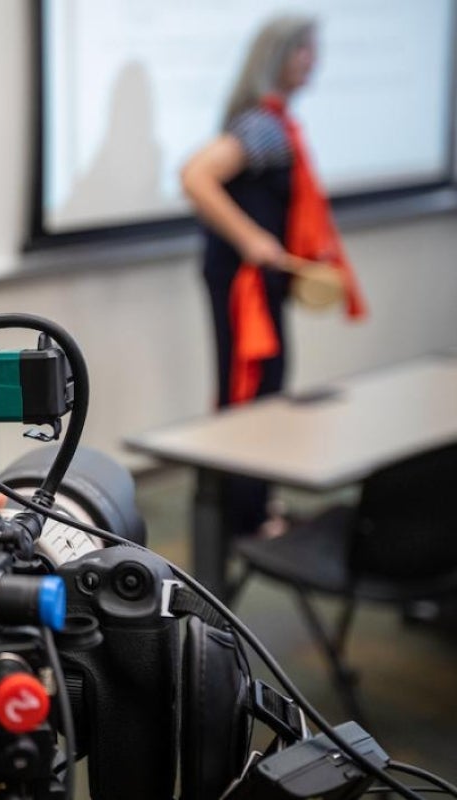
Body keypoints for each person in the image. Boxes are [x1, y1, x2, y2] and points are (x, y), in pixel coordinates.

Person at [180, 14, 366, 537]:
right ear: (276, 55)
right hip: (244, 285)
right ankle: (242, 515)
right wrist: (252, 240)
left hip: (260, 284)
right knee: (250, 391)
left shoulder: (277, 123)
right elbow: (195, 176)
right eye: (303, 49)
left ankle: (253, 506)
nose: (313, 59)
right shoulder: (260, 125)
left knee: (266, 387)